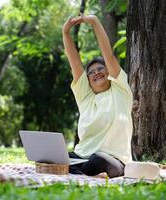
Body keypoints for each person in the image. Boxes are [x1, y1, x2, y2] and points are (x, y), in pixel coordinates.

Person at [62, 14, 133, 178]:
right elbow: (75, 64)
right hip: (81, 158)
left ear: (109, 72)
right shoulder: (86, 98)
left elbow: (108, 55)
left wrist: (94, 21)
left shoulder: (120, 90)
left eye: (101, 69)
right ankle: (83, 175)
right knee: (55, 159)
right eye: (91, 72)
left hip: (112, 161)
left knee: (97, 159)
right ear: (87, 81)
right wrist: (65, 32)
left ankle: (77, 174)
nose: (96, 73)